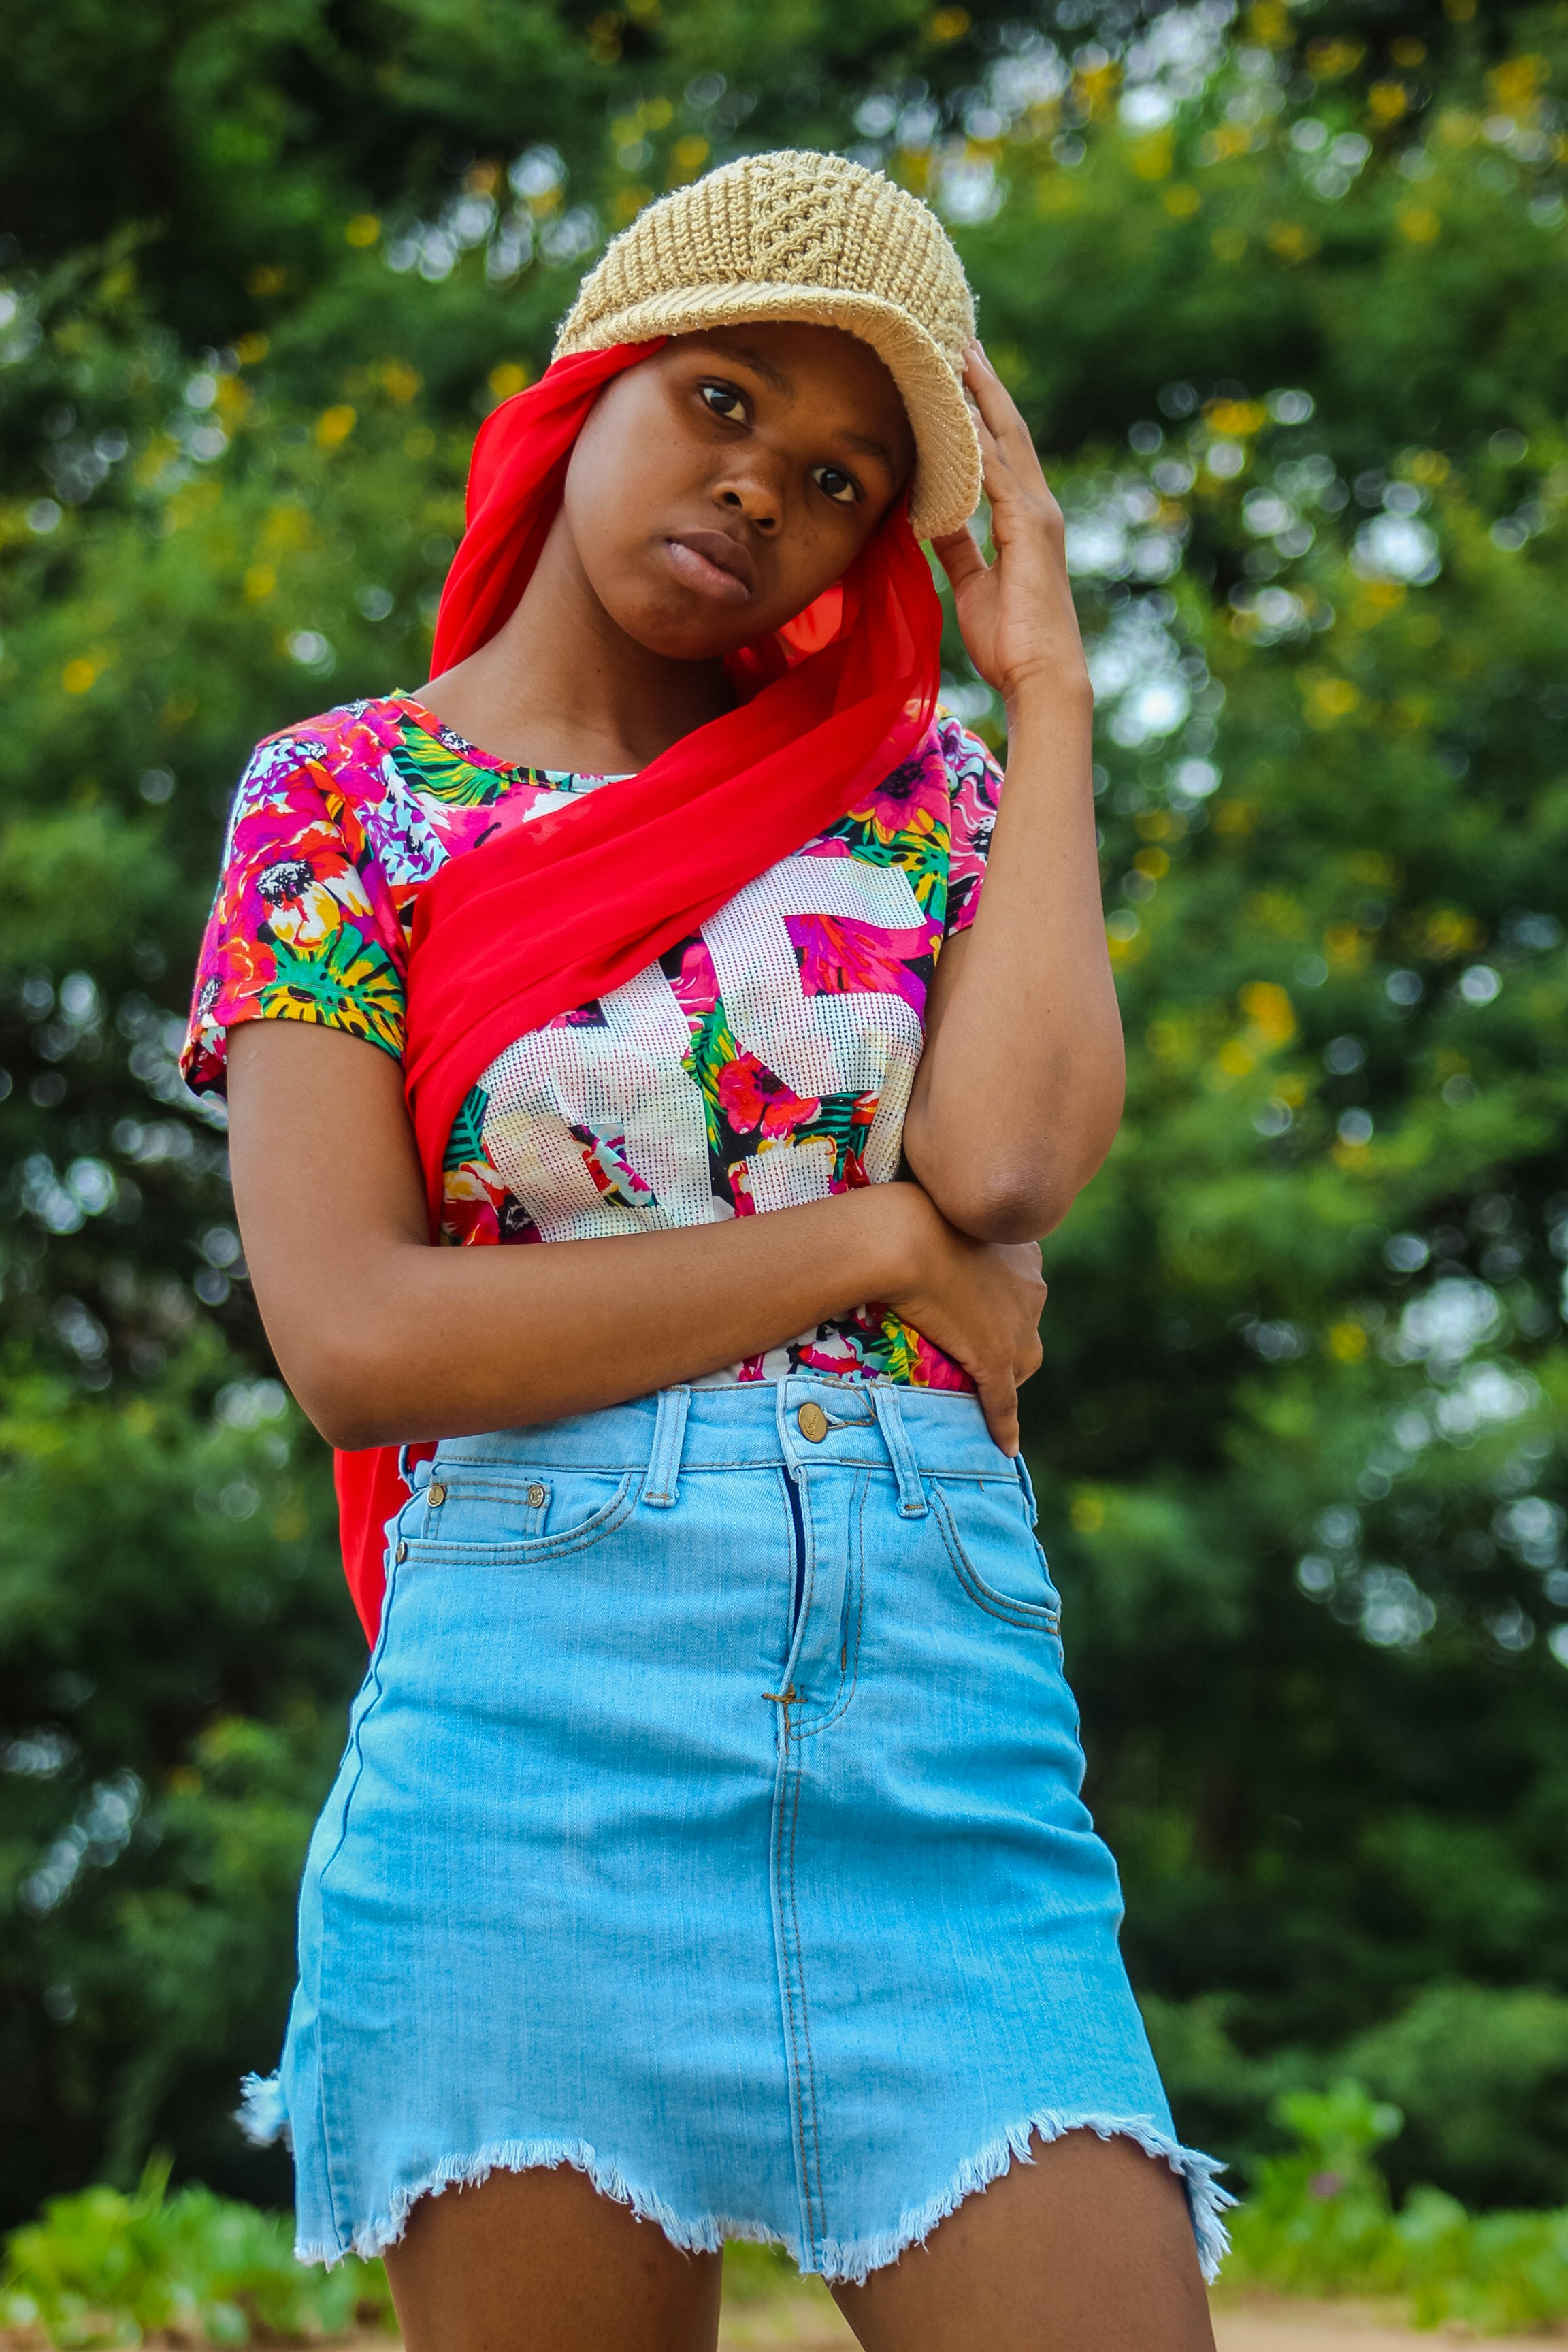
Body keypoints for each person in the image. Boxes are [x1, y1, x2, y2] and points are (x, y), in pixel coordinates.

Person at [182, 150, 1226, 2352]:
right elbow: (361, 1337)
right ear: (593, 389)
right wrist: (865, 1237)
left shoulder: (912, 786)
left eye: (843, 479)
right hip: (533, 1716)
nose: (768, 492)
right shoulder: (341, 802)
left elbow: (1015, 1169)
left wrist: (1050, 697)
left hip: (929, 1701)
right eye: (727, 402)